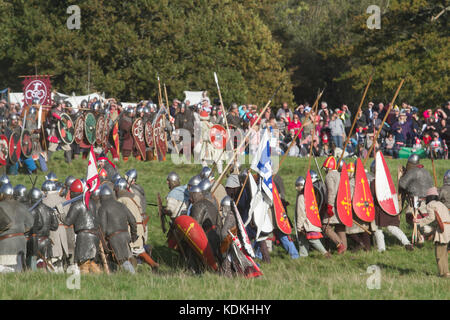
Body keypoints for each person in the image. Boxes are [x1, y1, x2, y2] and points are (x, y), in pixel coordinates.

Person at [367, 161, 413, 252]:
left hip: (380, 209)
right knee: (392, 227)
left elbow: (372, 196)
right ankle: (406, 243)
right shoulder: (387, 180)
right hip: (389, 207)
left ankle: (382, 249)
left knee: (377, 229)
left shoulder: (374, 183)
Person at [59, 179, 102, 274]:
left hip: (84, 236)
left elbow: (67, 222)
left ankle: (85, 282)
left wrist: (59, 213)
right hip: (95, 235)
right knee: (90, 262)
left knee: (83, 263)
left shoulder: (76, 205)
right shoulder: (91, 202)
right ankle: (101, 278)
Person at [114, 178, 158, 269]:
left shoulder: (121, 200)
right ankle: (152, 265)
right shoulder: (135, 197)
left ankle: (152, 265)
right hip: (140, 226)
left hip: (132, 227)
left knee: (131, 250)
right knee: (137, 250)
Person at [97, 185, 137, 273]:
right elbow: (133, 221)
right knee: (119, 259)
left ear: (102, 196)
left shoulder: (103, 208)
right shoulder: (121, 205)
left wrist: (102, 244)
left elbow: (102, 229)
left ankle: (134, 278)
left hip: (114, 239)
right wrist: (133, 235)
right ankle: (116, 277)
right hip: (125, 236)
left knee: (123, 261)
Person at [413, 187, 449, 278]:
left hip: (442, 229)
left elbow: (431, 218)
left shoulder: (430, 205)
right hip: (447, 228)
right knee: (444, 251)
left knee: (439, 252)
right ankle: (446, 272)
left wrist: (419, 222)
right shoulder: (441, 204)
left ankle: (443, 273)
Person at [0, 183, 34, 272]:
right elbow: (30, 224)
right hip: (21, 244)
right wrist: (20, 231)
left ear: (2, 194)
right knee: (18, 273)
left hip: (4, 245)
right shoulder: (22, 206)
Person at [294, 176, 331, 258]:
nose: (297, 188)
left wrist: (299, 227)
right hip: (313, 220)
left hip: (307, 223)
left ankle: (325, 253)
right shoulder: (311, 195)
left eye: (298, 185)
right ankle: (303, 256)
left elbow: (301, 213)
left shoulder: (301, 197)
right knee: (302, 239)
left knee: (312, 239)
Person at [41, 179, 72, 273]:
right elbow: (67, 220)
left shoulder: (43, 201)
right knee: (60, 260)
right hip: (62, 230)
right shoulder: (63, 200)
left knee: (53, 259)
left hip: (51, 231)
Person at [26, 187, 58, 270]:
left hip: (34, 242)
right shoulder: (49, 210)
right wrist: (46, 227)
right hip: (46, 241)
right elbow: (55, 226)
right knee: (45, 266)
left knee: (32, 267)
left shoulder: (31, 211)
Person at [322, 156, 347, 254]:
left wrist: (329, 206)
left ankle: (340, 245)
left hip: (334, 207)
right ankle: (344, 249)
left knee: (326, 227)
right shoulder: (341, 175)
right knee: (340, 227)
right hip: (343, 206)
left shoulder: (329, 176)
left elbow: (331, 191)